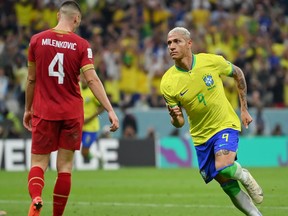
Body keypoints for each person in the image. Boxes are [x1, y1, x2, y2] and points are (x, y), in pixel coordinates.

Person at [23, 1, 119, 216]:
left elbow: (31, 80)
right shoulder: (82, 45)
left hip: (44, 111)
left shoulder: (36, 40)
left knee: (38, 163)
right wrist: (110, 109)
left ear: (58, 15)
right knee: (65, 168)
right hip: (72, 113)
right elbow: (92, 79)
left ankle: (37, 197)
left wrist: (27, 109)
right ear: (77, 19)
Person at [160, 27, 263, 216]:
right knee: (226, 184)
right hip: (201, 137)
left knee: (224, 165)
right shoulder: (167, 82)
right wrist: (175, 117)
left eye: (177, 41)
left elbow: (238, 73)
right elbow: (179, 123)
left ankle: (245, 176)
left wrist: (244, 108)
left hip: (224, 124)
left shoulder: (210, 61)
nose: (171, 47)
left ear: (189, 44)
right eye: (169, 43)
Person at [80, 76, 104, 163]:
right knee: (70, 148)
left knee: (84, 152)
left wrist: (90, 119)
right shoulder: (77, 88)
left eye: (86, 78)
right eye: (83, 78)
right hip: (79, 125)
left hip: (91, 126)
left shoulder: (92, 91)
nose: (84, 80)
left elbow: (102, 107)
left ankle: (97, 157)